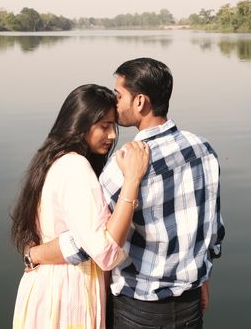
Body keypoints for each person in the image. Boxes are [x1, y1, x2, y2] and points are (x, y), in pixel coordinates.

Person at [29, 58, 225, 329]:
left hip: (139, 309)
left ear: (140, 102)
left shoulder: (124, 164)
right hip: (190, 304)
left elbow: (93, 241)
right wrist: (203, 278)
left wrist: (36, 254)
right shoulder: (203, 149)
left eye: (119, 95)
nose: (115, 101)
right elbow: (212, 229)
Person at [11, 84, 151, 329]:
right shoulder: (75, 167)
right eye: (103, 126)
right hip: (68, 294)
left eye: (113, 127)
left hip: (48, 287)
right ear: (79, 123)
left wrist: (35, 255)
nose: (111, 136)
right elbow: (105, 253)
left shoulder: (53, 159)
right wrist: (132, 180)